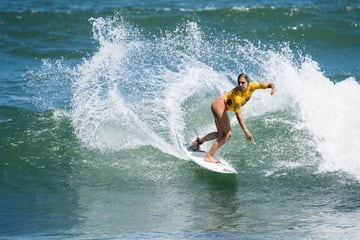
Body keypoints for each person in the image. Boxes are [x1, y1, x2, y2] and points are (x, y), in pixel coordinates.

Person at [186, 73, 276, 163]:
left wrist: (273, 88)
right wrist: (246, 131)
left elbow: (269, 84)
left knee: (220, 134)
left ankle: (196, 143)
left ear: (248, 82)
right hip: (219, 105)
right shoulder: (236, 95)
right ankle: (209, 156)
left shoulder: (253, 86)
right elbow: (238, 115)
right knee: (227, 134)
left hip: (218, 106)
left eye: (243, 83)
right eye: (239, 83)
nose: (240, 85)